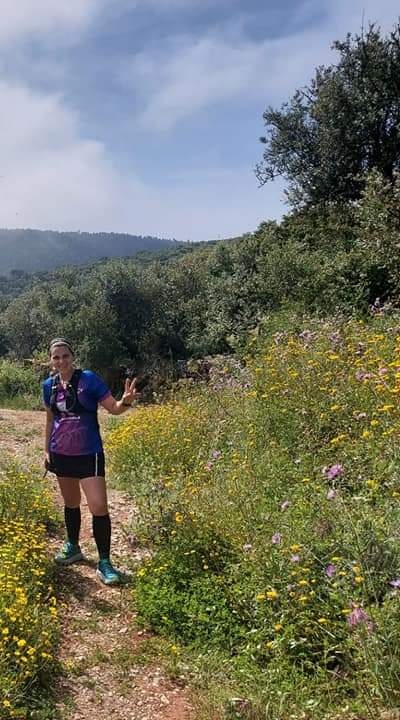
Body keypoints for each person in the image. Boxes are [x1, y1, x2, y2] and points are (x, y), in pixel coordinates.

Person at [43, 337, 139, 585]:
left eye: (65, 355)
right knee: (71, 503)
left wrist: (126, 400)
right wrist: (46, 450)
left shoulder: (89, 379)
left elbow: (114, 409)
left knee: (98, 506)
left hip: (89, 453)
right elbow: (50, 419)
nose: (61, 360)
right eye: (56, 357)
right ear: (51, 361)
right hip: (61, 453)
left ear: (72, 356)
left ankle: (104, 562)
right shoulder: (48, 385)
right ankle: (73, 546)